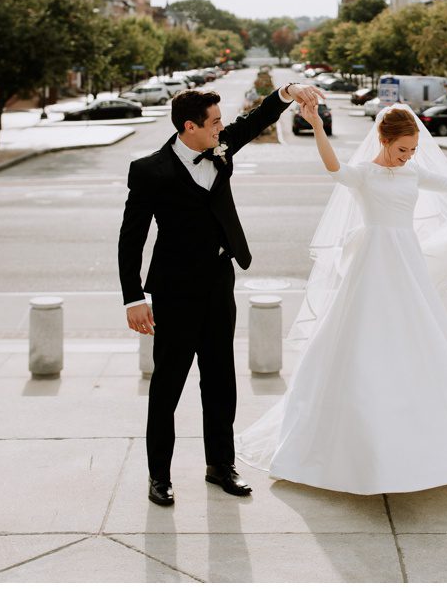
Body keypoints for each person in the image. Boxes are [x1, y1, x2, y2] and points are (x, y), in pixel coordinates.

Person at [233, 103, 447, 494]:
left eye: (413, 150)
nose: (408, 157)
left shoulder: (413, 172)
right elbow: (334, 169)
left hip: (407, 262)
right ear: (384, 141)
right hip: (372, 262)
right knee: (359, 336)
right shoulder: (365, 174)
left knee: (420, 336)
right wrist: (317, 125)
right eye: (402, 149)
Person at [119, 80, 325, 507]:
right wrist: (133, 297)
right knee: (167, 386)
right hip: (174, 291)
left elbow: (256, 120)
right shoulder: (149, 170)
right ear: (189, 127)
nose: (221, 127)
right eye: (213, 122)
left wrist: (287, 92)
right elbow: (130, 240)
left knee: (220, 379)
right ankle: (160, 476)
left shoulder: (221, 146)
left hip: (219, 281)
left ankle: (220, 465)